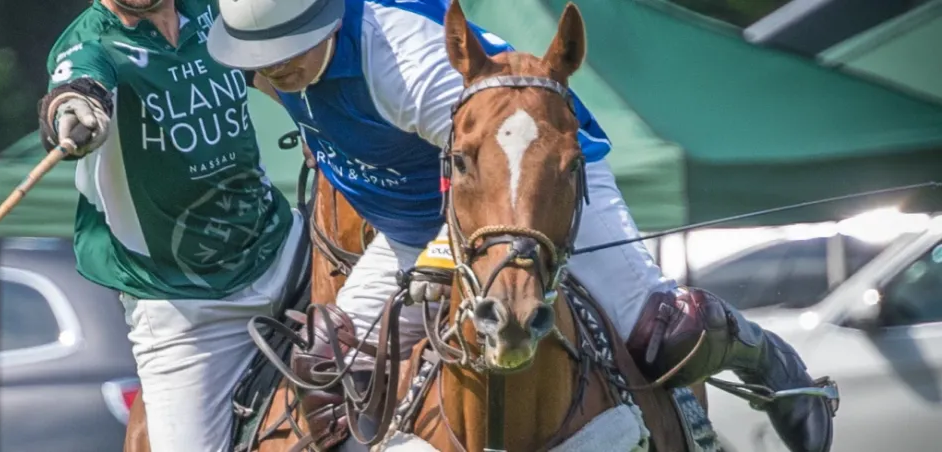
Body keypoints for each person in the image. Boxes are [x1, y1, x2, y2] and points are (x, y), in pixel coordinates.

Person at [205, 0, 835, 451]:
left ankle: (770, 361)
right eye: (260, 57)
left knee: (663, 331)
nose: (272, 70)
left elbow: (506, 162)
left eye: (287, 52)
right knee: (327, 368)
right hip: (415, 226)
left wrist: (444, 255)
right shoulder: (270, 60)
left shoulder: (403, 63)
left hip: (534, 183)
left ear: (329, 19)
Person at [38, 0, 306, 450]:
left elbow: (275, 69)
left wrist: (320, 126)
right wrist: (73, 109)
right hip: (185, 311)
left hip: (286, 252)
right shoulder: (90, 44)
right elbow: (74, 86)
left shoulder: (216, 10)